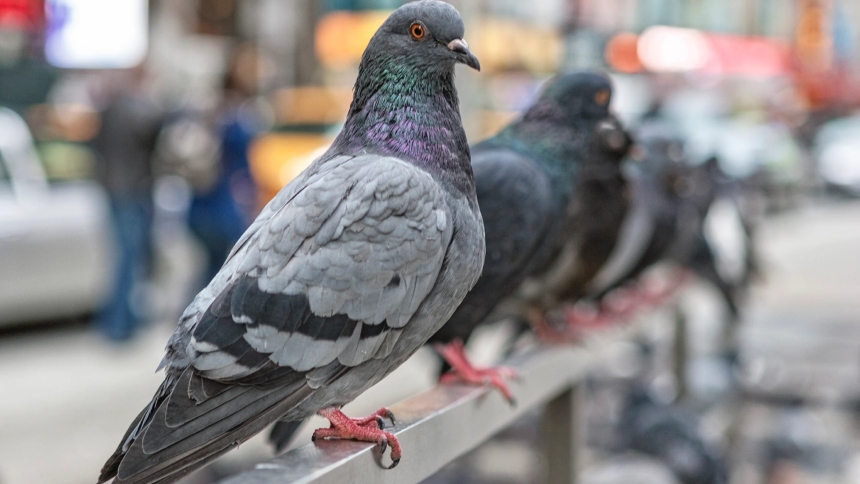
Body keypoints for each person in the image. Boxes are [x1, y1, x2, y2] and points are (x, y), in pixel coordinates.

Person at [91, 67, 165, 341]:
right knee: (129, 258)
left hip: (115, 188)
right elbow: (153, 127)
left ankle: (124, 319)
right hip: (130, 190)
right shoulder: (133, 109)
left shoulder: (109, 109)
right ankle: (119, 325)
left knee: (125, 257)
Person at [187, 44, 261, 284]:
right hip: (223, 204)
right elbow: (243, 161)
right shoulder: (239, 114)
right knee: (222, 271)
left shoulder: (213, 110)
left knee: (212, 268)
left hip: (203, 202)